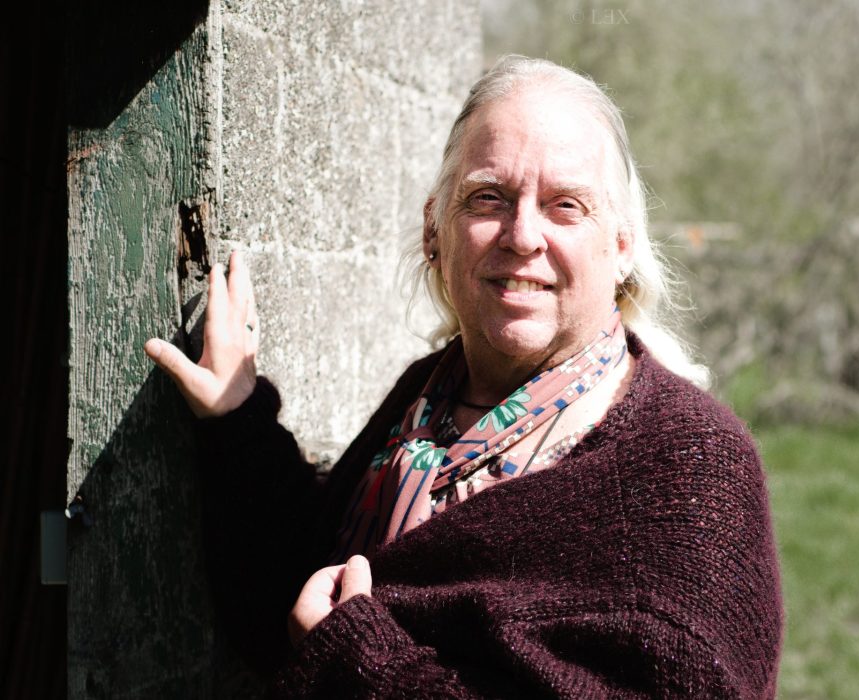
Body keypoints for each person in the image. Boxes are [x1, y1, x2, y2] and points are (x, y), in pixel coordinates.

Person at [144, 55, 782, 698]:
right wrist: (237, 415)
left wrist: (367, 671)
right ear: (435, 232)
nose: (522, 235)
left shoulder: (690, 470)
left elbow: (342, 644)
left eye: (566, 206)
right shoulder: (427, 400)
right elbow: (299, 602)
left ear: (621, 247)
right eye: (488, 198)